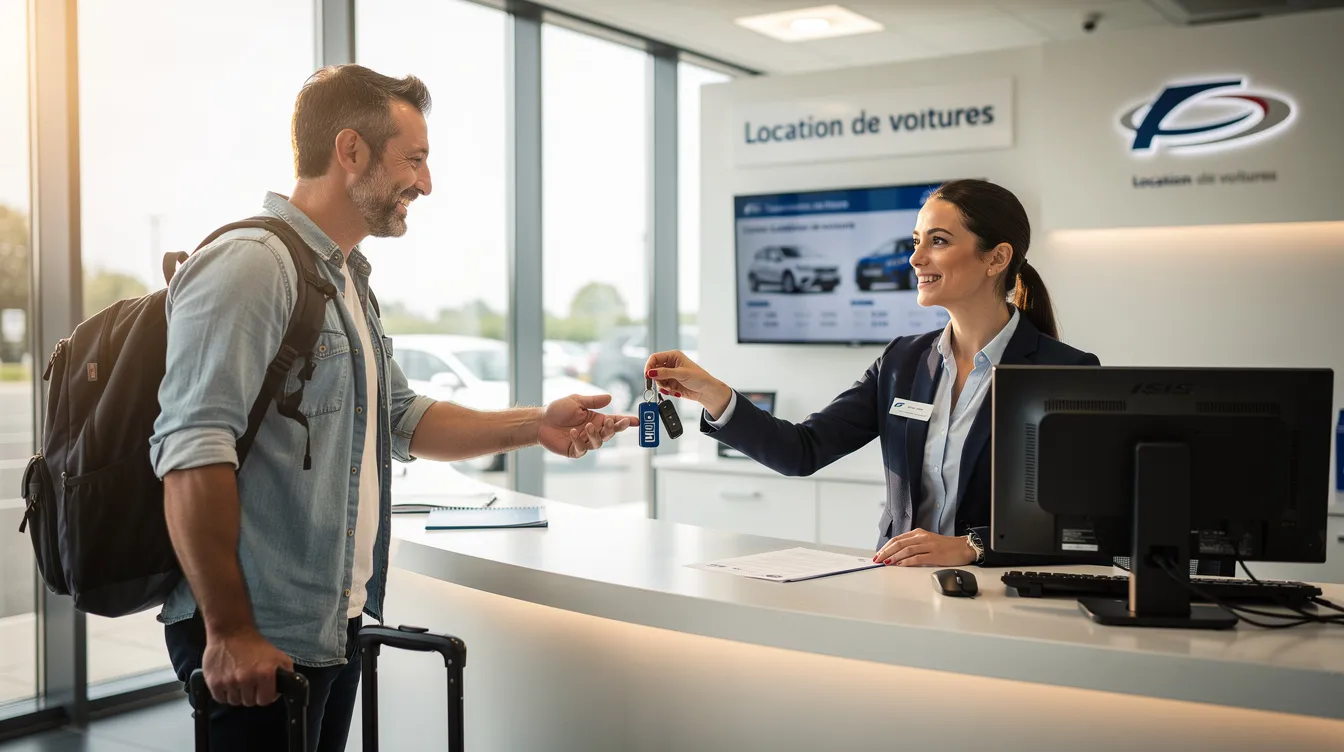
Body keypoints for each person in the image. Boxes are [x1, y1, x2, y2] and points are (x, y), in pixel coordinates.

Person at [149, 64, 633, 750]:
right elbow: (191, 452)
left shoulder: (344, 277)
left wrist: (537, 426)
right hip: (258, 632)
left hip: (328, 624)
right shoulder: (252, 263)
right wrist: (228, 632)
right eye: (414, 159)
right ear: (350, 151)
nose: (425, 183)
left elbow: (402, 418)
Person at [645, 179, 1098, 570]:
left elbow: (1082, 526)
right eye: (916, 240)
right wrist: (713, 392)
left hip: (1000, 597)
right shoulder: (901, 362)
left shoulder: (1066, 372)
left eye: (938, 241)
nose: (915, 258)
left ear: (997, 258)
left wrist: (972, 547)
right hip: (898, 587)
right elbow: (801, 452)